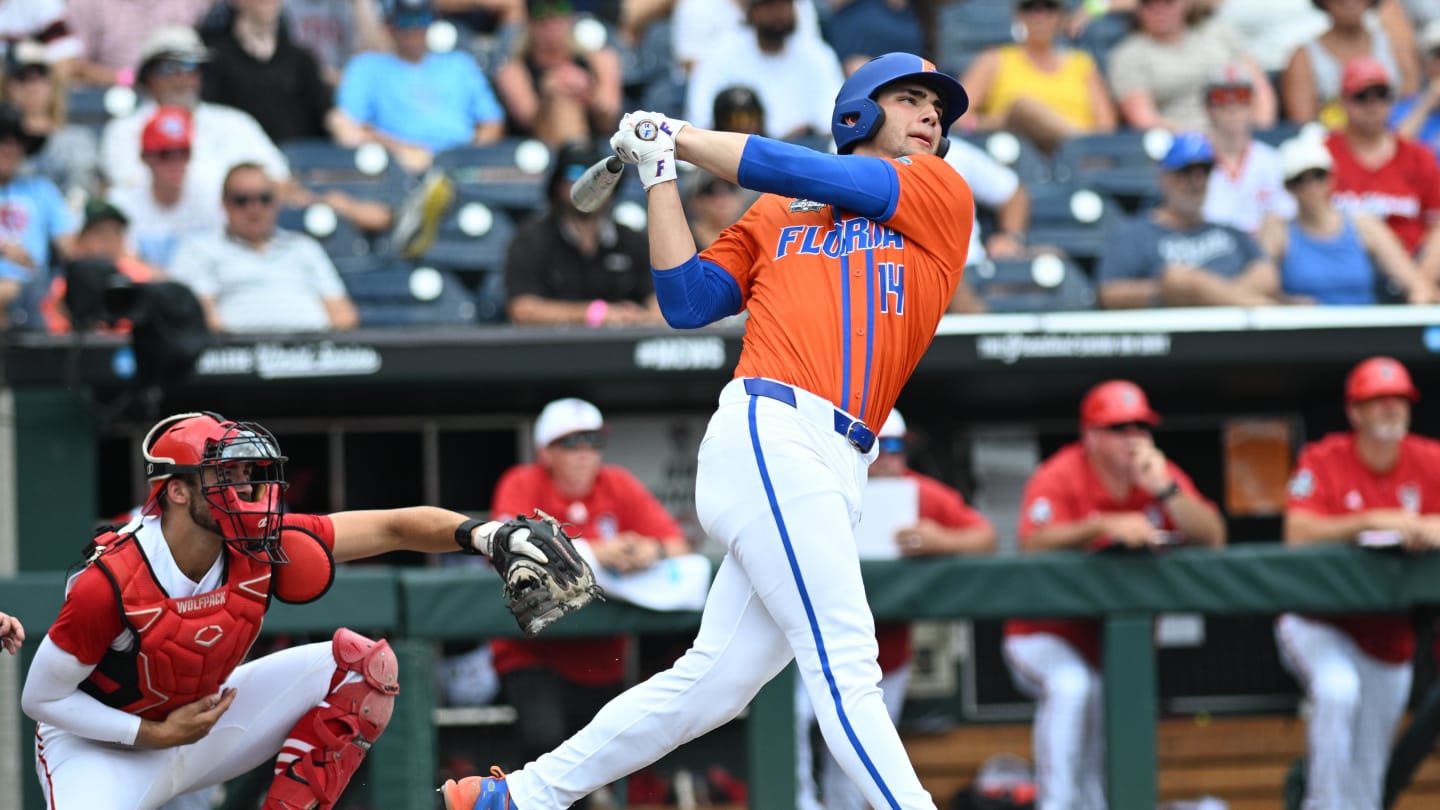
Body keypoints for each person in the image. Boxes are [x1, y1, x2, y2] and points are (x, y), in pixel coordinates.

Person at [440, 50, 976, 810]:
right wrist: (661, 173)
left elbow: (817, 175)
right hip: (774, 428)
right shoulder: (773, 216)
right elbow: (687, 300)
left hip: (838, 457)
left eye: (939, 109)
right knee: (846, 665)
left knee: (713, 685)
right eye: (914, 99)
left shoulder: (937, 190)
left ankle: (520, 797)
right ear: (859, 110)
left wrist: (679, 134)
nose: (932, 116)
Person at [19, 410, 571, 808]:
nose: (242, 491)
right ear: (177, 492)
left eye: (244, 476)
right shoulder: (111, 581)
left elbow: (392, 526)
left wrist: (487, 535)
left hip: (204, 716)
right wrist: (154, 736)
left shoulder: (262, 540)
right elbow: (41, 699)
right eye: (223, 477)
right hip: (104, 742)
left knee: (363, 668)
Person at [1004, 379, 1227, 810]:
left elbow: (1214, 536)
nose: (1133, 439)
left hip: (1115, 644)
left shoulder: (1158, 475)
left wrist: (1166, 490)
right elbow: (1031, 542)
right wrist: (1101, 525)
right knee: (1072, 688)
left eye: (1140, 428)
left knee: (1106, 721)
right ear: (1090, 436)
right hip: (1043, 634)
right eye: (1119, 428)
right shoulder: (1061, 473)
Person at [795, 408, 996, 810]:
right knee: (794, 720)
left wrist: (942, 540)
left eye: (896, 447)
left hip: (886, 653)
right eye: (876, 446)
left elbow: (985, 536)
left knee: (859, 749)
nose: (888, 457)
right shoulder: (823, 486)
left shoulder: (919, 491)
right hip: (812, 644)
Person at [486, 397, 688, 785]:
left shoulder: (618, 483)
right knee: (544, 746)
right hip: (532, 650)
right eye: (571, 443)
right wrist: (596, 550)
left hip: (600, 654)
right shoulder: (521, 482)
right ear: (546, 451)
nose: (584, 454)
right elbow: (506, 545)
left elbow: (677, 543)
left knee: (608, 759)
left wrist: (650, 550)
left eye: (593, 442)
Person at [1279, 355, 1440, 810]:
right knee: (1337, 690)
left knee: (1369, 774)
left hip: (1390, 636)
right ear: (1355, 412)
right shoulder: (1325, 458)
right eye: (1378, 401)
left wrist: (1433, 524)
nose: (1391, 409)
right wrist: (1367, 519)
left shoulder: (1430, 459)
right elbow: (1297, 532)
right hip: (1319, 621)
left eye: (1399, 400)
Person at [1097, 132, 1285, 308]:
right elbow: (1108, 292)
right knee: (1177, 277)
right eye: (1186, 171)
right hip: (1174, 336)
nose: (1196, 181)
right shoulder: (1134, 234)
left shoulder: (1230, 231)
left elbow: (1266, 276)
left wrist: (1198, 292)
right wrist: (1166, 290)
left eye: (1204, 170)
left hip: (1236, 334)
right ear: (1164, 176)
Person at [167, 162, 359, 333]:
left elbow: (343, 315)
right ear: (224, 204)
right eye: (242, 200)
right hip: (236, 361)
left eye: (264, 198)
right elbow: (201, 317)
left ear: (276, 203)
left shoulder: (304, 247)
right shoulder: (199, 249)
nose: (255, 208)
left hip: (316, 359)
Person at [1260, 135, 1439, 304]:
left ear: (1332, 178)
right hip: (1302, 332)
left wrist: (1419, 301)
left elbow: (1411, 279)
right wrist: (1286, 303)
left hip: (1365, 332)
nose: (1311, 187)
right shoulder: (1278, 230)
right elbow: (1257, 289)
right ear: (1288, 187)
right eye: (1299, 180)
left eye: (1318, 176)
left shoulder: (1363, 225)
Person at [333, 0, 506, 173]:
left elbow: (492, 121)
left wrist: (471, 158)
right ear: (389, 25)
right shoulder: (367, 67)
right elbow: (345, 124)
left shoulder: (459, 63)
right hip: (394, 169)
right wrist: (402, 151)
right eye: (406, 21)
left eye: (422, 19)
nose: (415, 29)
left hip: (460, 163)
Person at [505, 139, 663, 326]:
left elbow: (659, 302)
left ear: (614, 187)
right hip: (552, 349)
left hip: (618, 348)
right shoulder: (531, 238)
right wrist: (594, 313)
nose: (589, 183)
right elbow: (521, 310)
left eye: (600, 176)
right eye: (575, 173)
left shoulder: (632, 240)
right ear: (557, 184)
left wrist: (642, 319)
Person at [1326, 56, 1440, 281]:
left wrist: (1419, 281)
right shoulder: (1322, 154)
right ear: (1344, 102)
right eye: (1362, 97)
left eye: (1381, 95)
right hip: (1342, 273)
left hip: (1414, 269)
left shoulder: (1418, 156)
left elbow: (1437, 224)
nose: (1373, 105)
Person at [960, 0, 1117, 154]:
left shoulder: (1082, 64)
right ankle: (1081, 149)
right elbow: (959, 114)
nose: (1040, 15)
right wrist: (1000, 122)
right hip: (1016, 155)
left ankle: (1080, 149)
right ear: (1018, 15)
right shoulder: (994, 59)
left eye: (1049, 7)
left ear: (1060, 16)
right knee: (1022, 106)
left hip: (1080, 162)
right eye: (1030, 7)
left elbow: (1106, 126)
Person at [683, 0, 846, 140]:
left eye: (785, 4)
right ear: (752, 11)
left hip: (802, 154)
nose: (778, 13)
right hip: (739, 156)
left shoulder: (818, 54)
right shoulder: (720, 54)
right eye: (769, 5)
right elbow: (702, 121)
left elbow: (833, 120)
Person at [1107, 0, 1274, 132]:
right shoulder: (1129, 54)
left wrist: (1258, 133)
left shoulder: (1219, 33)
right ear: (1138, 8)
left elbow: (1261, 91)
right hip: (1181, 150)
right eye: (1148, 2)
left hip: (1240, 135)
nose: (1159, 8)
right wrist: (1205, 140)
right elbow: (1144, 120)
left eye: (1168, 1)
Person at [199, 0, 339, 144]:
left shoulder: (301, 59)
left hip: (297, 157)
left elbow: (328, 115)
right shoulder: (215, 58)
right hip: (240, 154)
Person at [491, 0, 624, 146]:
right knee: (560, 99)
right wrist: (549, 93)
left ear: (571, 17)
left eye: (560, 9)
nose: (551, 20)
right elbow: (529, 122)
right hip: (543, 151)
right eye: (540, 12)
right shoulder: (513, 71)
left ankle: (577, 156)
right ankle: (575, 157)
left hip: (594, 144)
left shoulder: (601, 60)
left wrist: (587, 91)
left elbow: (607, 117)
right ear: (528, 22)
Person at [107, 105, 224, 269]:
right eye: (165, 154)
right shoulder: (121, 203)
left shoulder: (211, 196)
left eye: (183, 152)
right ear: (145, 157)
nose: (176, 163)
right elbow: (121, 261)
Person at [0, 102, 78, 331]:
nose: (8, 148)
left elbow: (70, 246)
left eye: (16, 141)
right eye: (1, 139)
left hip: (34, 294)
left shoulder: (41, 190)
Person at [1281, 0, 1418, 128]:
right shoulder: (1303, 56)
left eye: (1381, 94)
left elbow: (1410, 102)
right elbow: (1303, 127)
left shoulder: (1395, 42)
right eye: (1361, 97)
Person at [38, 198, 165, 334]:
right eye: (100, 233)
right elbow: (53, 327)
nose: (109, 242)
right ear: (80, 239)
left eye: (116, 233)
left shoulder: (136, 273)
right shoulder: (63, 284)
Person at [1201, 63, 1295, 235]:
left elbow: (1287, 215)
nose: (1232, 106)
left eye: (1241, 96)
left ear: (1253, 105)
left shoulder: (1273, 160)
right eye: (1220, 97)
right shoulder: (1193, 160)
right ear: (1207, 107)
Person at [2, 39, 101, 202]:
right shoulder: (3, 143)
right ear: (6, 86)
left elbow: (82, 195)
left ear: (52, 84)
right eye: (22, 78)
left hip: (69, 222)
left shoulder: (78, 140)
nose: (32, 87)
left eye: (40, 77)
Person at [66, 0, 213, 86]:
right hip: (113, 96)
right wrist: (131, 79)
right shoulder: (86, 3)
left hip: (179, 88)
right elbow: (70, 65)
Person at [1391, 18, 1440, 158]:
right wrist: (1427, 103)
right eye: (1438, 56)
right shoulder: (1403, 108)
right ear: (1425, 65)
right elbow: (1393, 152)